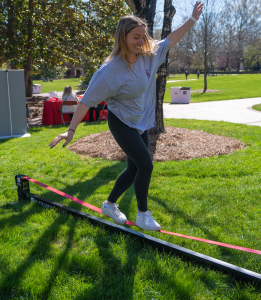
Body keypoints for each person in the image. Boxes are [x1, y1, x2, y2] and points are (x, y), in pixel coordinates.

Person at [49, 2, 204, 231]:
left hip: (139, 121)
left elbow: (171, 39)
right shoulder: (109, 71)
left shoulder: (148, 56)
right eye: (135, 37)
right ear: (123, 37)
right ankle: (143, 214)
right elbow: (86, 101)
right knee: (146, 165)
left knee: (134, 169)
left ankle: (109, 204)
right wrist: (70, 130)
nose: (141, 42)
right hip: (121, 122)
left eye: (143, 36)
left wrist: (192, 19)